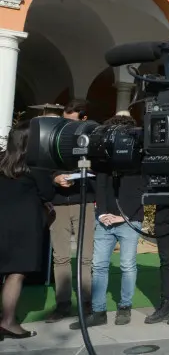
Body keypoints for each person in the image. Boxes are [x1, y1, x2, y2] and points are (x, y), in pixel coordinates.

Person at [71, 115, 146, 329]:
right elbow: (101, 186)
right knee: (99, 265)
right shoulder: (104, 157)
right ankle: (98, 311)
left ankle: (125, 307)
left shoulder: (139, 156)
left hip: (130, 221)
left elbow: (142, 189)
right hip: (105, 221)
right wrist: (102, 213)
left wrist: (125, 216)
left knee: (127, 265)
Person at [0, 122, 54, 339]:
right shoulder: (35, 165)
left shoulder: (1, 160)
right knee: (16, 274)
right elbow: (48, 193)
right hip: (24, 228)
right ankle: (8, 322)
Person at [46, 98, 95, 322]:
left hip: (84, 201)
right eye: (64, 121)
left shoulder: (93, 135)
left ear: (84, 119)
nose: (67, 127)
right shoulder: (54, 136)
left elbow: (100, 170)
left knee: (85, 257)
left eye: (72, 122)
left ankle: (86, 304)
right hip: (58, 203)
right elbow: (44, 165)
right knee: (60, 257)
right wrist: (55, 178)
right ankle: (62, 305)